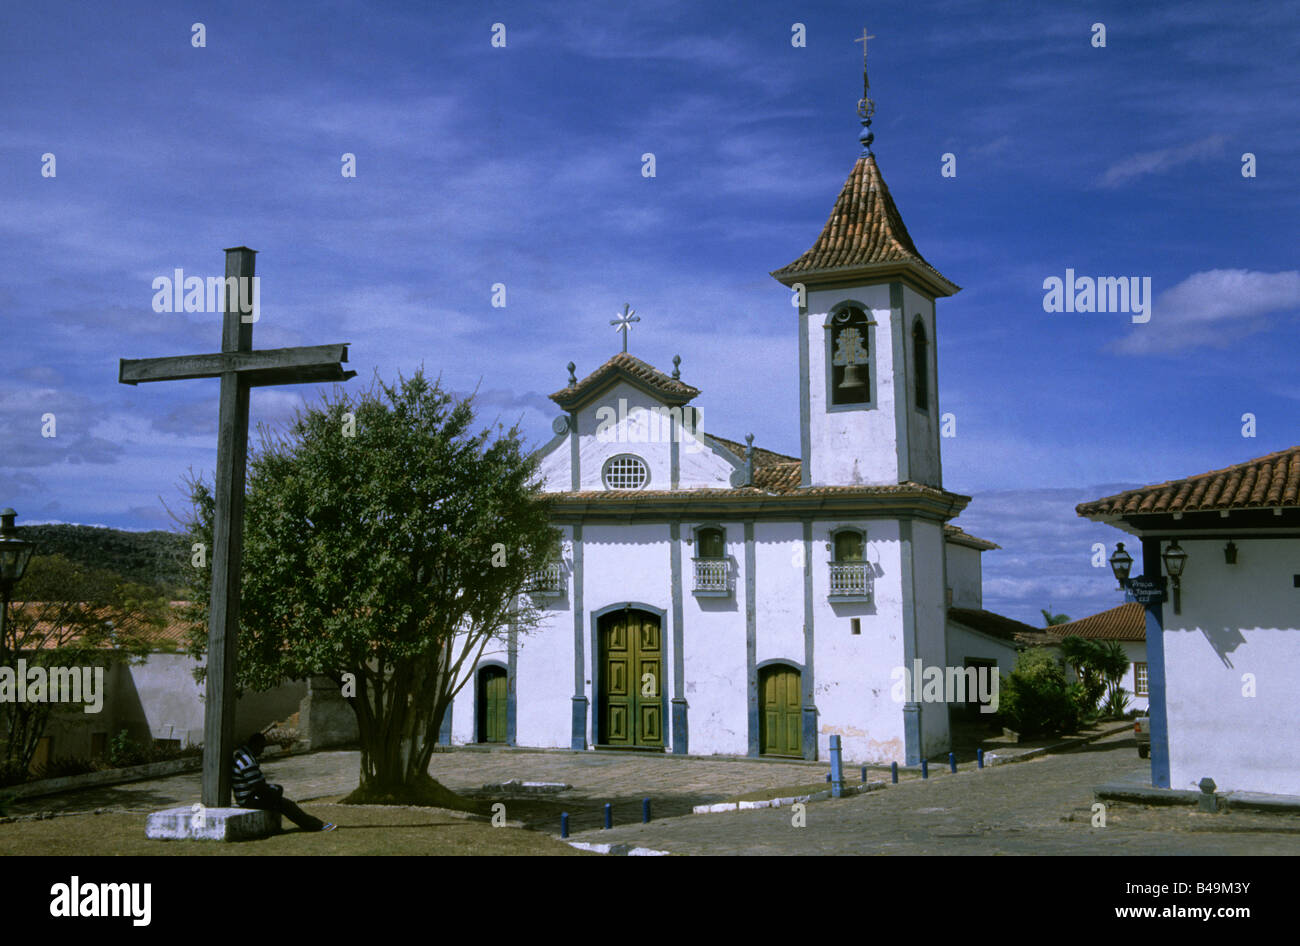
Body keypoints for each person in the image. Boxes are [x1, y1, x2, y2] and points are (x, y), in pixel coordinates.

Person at [232, 732, 336, 832]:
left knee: (280, 795)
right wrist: (274, 791)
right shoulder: (247, 762)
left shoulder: (244, 754)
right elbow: (259, 788)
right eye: (261, 747)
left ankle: (316, 823)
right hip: (249, 800)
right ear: (254, 745)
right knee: (287, 805)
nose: (262, 751)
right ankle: (317, 825)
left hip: (251, 795)